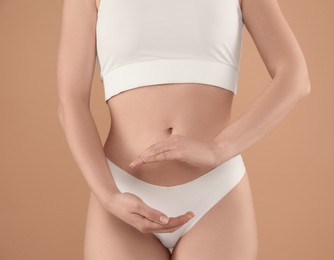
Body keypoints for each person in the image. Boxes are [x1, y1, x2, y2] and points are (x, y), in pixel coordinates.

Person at [56, 0, 311, 258]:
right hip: (121, 188)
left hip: (216, 193)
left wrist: (219, 149)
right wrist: (108, 196)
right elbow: (71, 99)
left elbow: (295, 77)